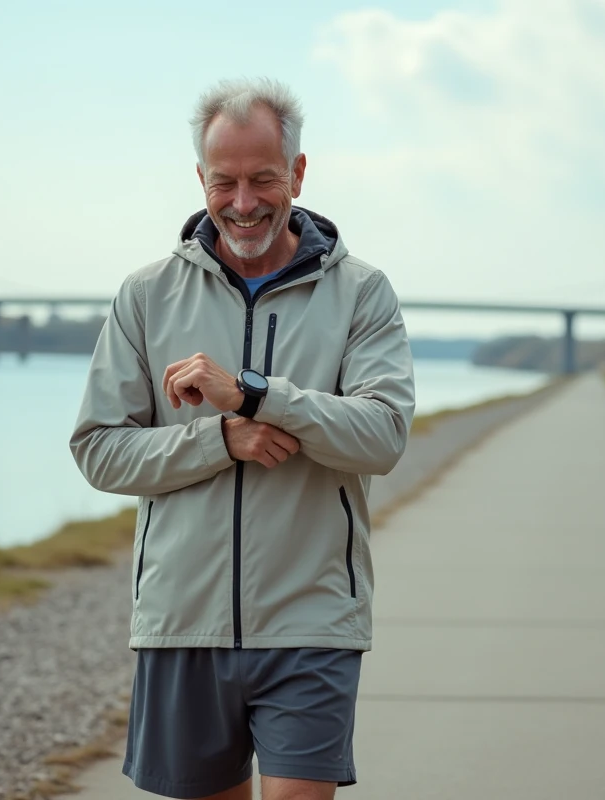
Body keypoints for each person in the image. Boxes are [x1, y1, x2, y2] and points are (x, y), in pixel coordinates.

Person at [70, 77, 415, 800]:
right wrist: (220, 440)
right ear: (201, 179)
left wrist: (259, 395)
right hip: (182, 623)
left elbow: (382, 436)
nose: (244, 202)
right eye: (224, 182)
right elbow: (99, 448)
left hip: (312, 619)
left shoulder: (362, 292)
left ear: (296, 172)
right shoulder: (145, 295)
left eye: (263, 179)